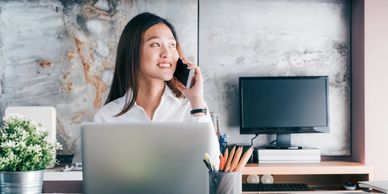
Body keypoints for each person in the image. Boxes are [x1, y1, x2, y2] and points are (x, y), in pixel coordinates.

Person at [94, 12, 220, 164]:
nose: (167, 53)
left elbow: (213, 165)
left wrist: (197, 102)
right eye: (155, 44)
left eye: (172, 45)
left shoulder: (191, 108)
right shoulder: (107, 117)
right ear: (132, 52)